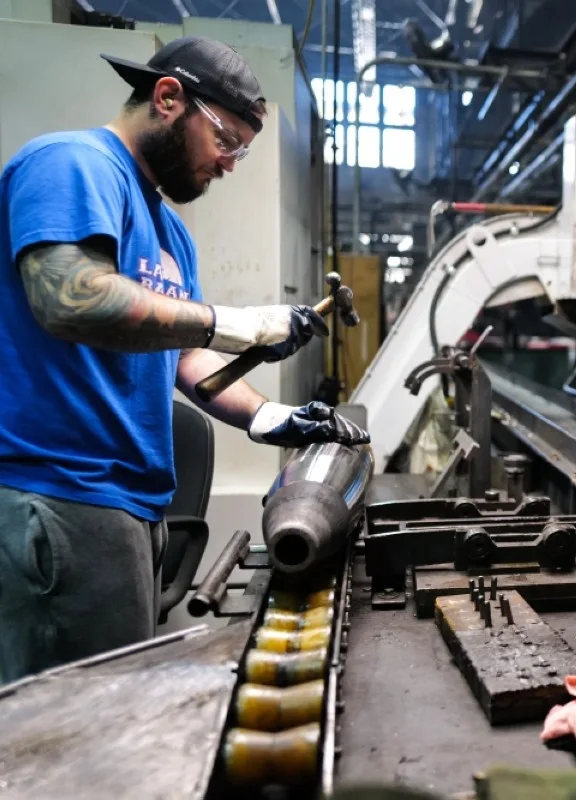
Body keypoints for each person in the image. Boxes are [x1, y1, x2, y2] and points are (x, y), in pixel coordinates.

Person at [0, 36, 369, 683]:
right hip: (52, 499)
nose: (229, 163)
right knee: (56, 736)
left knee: (110, 715)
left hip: (130, 510)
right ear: (169, 98)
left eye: (242, 151)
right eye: (226, 138)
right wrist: (232, 323)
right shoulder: (71, 165)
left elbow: (184, 359)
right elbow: (68, 299)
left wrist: (269, 415)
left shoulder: (169, 234)